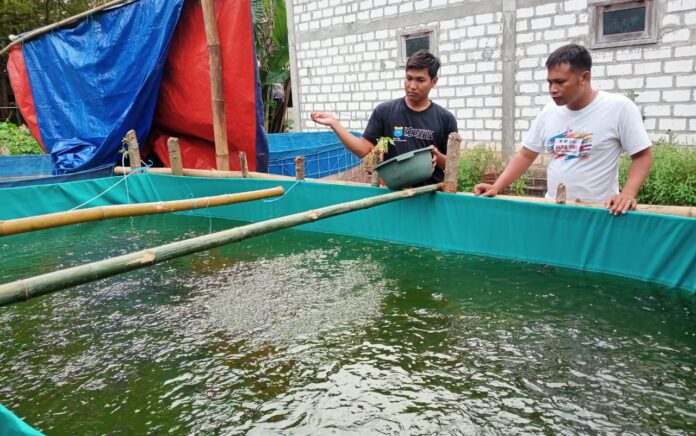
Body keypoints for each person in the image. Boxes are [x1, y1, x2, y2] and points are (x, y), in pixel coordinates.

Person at [474, 44, 653, 215]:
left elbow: (642, 156)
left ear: (584, 78)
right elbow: (526, 155)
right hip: (555, 209)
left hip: (599, 212)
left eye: (560, 82)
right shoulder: (548, 112)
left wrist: (627, 194)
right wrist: (497, 186)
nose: (552, 90)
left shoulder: (618, 108)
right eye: (549, 82)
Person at [310, 49, 458, 184]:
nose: (412, 85)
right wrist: (334, 124)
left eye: (420, 80)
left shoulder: (445, 118)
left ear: (434, 82)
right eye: (408, 78)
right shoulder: (385, 111)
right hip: (395, 194)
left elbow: (452, 165)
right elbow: (362, 149)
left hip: (430, 195)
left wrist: (437, 157)